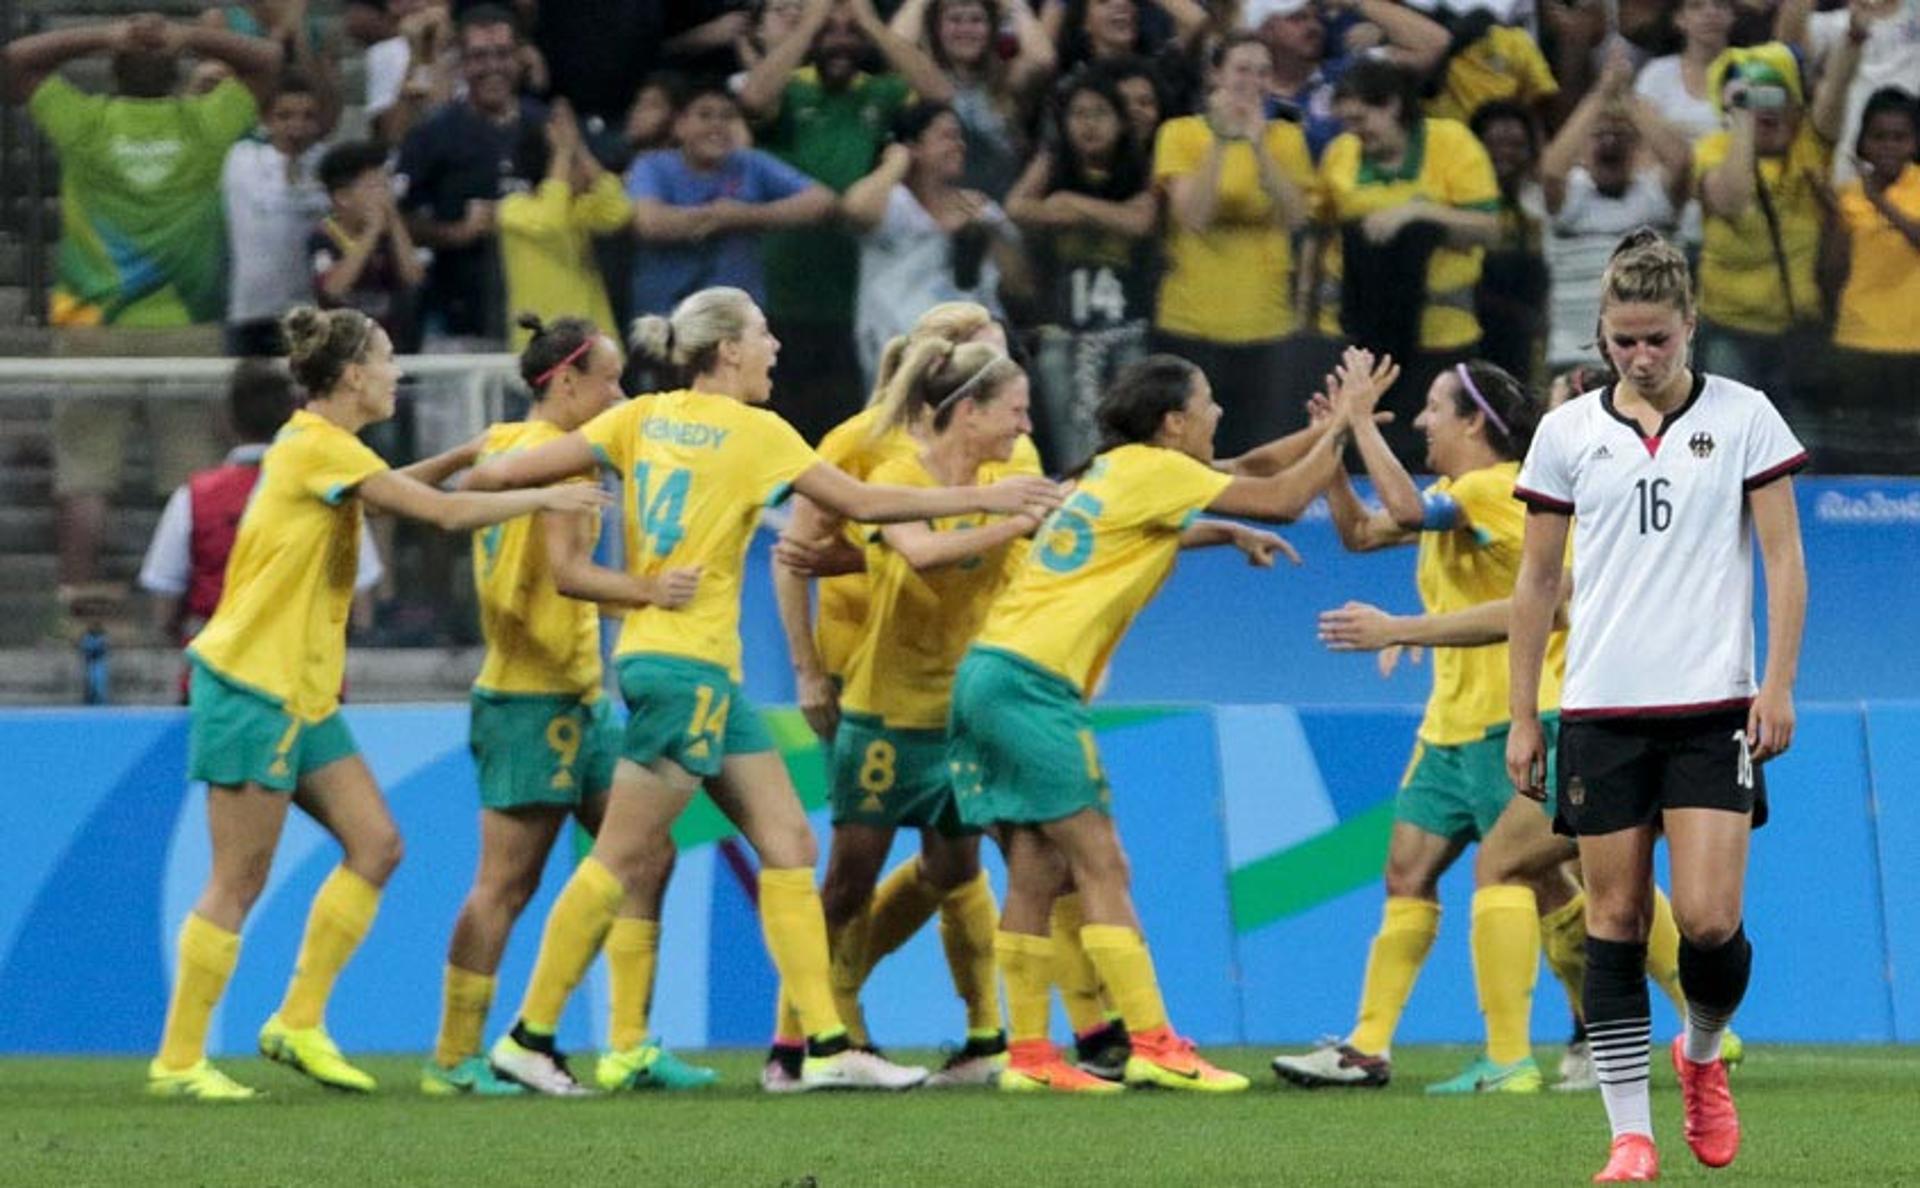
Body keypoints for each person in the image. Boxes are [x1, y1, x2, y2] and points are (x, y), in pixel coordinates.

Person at [462, 286, 1061, 1094]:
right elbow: (864, 504)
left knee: (790, 843)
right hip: (687, 669)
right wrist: (985, 497)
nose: (776, 347)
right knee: (620, 853)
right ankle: (530, 1037)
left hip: (675, 667)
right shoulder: (755, 433)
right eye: (764, 335)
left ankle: (819, 1047)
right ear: (730, 351)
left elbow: (499, 470)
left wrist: (537, 492)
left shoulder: (638, 418)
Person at [147, 305, 610, 1100]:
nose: (398, 374)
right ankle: (180, 1060)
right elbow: (439, 513)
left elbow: (403, 489)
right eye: (390, 360)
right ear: (354, 374)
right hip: (250, 684)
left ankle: (297, 1021)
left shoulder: (331, 455)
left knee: (378, 845)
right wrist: (539, 501)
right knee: (239, 878)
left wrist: (472, 451)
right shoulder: (316, 448)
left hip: (303, 694)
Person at [951, 352, 1354, 1092]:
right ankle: (1155, 1044)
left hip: (990, 674)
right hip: (1033, 685)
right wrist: (1346, 428)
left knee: (1039, 869)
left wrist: (1238, 520)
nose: (1217, 414)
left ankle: (1032, 1059)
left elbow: (1246, 469)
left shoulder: (1119, 469)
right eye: (1207, 404)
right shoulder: (1157, 471)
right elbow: (1285, 497)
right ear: (1174, 421)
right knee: (1105, 863)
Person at [1507, 229, 1807, 1181]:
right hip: (1600, 713)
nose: (1639, 358)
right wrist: (1527, 715)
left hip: (1713, 706)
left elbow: (1784, 558)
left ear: (1690, 327)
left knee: (1711, 924)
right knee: (1618, 920)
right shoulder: (1566, 434)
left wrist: (1781, 682)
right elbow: (1534, 580)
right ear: (1602, 332)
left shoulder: (1745, 417)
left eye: (1657, 340)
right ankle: (1629, 1137)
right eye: (1622, 341)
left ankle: (1703, 1054)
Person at [1270, 348, 1584, 1095]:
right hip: (1449, 726)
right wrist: (1338, 451)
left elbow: (1408, 512)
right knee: (1408, 875)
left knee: (1562, 888)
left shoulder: (1501, 488)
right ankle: (1367, 1046)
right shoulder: (1458, 493)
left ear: (1475, 421)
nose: (1419, 421)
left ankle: (1615, 1031)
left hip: (1526, 714)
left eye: (1434, 409)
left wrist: (1399, 629)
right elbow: (1363, 533)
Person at [424, 315, 714, 1097]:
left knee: (646, 855)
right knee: (505, 884)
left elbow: (433, 490)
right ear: (566, 383)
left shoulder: (502, 447)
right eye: (611, 380)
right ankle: (454, 1057)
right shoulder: (562, 476)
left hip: (578, 698)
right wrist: (652, 596)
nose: (620, 394)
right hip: (529, 700)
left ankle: (626, 1045)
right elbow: (568, 575)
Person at [782, 340, 1045, 1089]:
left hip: (961, 718)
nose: (1025, 424)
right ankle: (816, 1037)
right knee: (847, 882)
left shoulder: (1010, 474)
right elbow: (923, 554)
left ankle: (989, 1038)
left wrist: (1218, 528)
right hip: (885, 715)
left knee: (965, 867)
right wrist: (1008, 521)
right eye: (1015, 410)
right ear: (968, 411)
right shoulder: (897, 473)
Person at [3, 13, 281, 603]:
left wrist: (102, 33)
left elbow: (19, 58)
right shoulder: (205, 124)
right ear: (176, 71)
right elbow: (268, 61)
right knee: (191, 476)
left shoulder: (87, 122)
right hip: (189, 327)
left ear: (113, 74)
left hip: (91, 328)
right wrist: (194, 37)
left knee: (84, 475)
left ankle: (75, 596)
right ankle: (197, 598)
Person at [741, 0, 955, 443]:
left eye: (849, 33)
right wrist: (814, 19)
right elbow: (752, 99)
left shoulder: (880, 92)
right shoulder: (791, 88)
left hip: (857, 291)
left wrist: (869, 22)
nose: (839, 42)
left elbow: (939, 97)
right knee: (780, 427)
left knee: (844, 428)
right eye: (828, 33)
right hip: (786, 285)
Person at [137, 360, 381, 685]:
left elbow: (163, 610)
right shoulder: (333, 494)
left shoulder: (192, 498)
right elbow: (360, 610)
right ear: (296, 415)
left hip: (218, 689)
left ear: (226, 421)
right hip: (308, 688)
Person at [1313, 57, 1502, 463]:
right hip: (1359, 340)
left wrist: (1418, 212)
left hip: (1440, 338)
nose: (1355, 132)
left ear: (1393, 106)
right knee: (1358, 449)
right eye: (1347, 122)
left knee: (1431, 451)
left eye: (1362, 119)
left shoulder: (1451, 144)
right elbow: (1320, 228)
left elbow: (1489, 227)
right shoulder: (1341, 154)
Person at [1151, 34, 1315, 457]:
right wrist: (1223, 140)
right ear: (1215, 74)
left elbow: (1297, 216)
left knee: (1262, 455)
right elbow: (1193, 216)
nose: (1254, 81)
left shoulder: (1286, 139)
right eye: (1242, 69)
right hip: (1191, 322)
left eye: (1264, 72)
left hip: (1267, 323)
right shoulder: (1180, 134)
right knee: (1189, 453)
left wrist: (1258, 145)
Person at [1693, 37, 1861, 415]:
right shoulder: (1715, 150)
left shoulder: (1809, 148)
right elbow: (1732, 200)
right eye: (1751, 95)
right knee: (1731, 444)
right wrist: (1742, 121)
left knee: (1804, 451)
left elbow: (1837, 91)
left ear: (1795, 103)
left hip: (1799, 334)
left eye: (1773, 94)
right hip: (1731, 333)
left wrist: (1854, 35)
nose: (1763, 106)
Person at [1007, 71, 1158, 470]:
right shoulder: (1054, 168)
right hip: (1064, 335)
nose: (1088, 124)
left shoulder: (1138, 168)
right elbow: (1017, 208)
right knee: (1074, 445)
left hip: (1127, 332)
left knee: (1133, 444)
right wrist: (1050, 154)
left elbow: (1141, 221)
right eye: (1077, 114)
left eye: (1100, 113)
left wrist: (1072, 206)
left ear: (1121, 121)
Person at [843, 103, 1033, 387]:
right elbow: (854, 209)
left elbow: (1020, 285)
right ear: (913, 147)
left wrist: (989, 233)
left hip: (972, 358)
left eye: (959, 137)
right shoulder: (893, 204)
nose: (958, 145)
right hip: (899, 353)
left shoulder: (978, 207)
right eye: (946, 136)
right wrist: (895, 162)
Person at [397, 4, 547, 349]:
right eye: (479, 56)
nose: (492, 67)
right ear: (461, 61)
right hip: (456, 317)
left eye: (502, 54)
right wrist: (454, 233)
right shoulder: (433, 134)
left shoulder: (547, 127)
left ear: (521, 56)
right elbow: (399, 218)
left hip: (536, 317)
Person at [627, 81, 835, 320]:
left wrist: (744, 216)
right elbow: (649, 223)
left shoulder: (750, 163)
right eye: (705, 115)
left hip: (737, 321)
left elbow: (823, 201)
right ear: (680, 125)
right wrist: (718, 216)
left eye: (727, 116)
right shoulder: (653, 165)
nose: (717, 125)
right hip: (666, 317)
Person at [1540, 52, 1690, 376]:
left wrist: (1628, 99)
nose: (1610, 143)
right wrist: (1600, 95)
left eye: (1621, 136)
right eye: (1600, 136)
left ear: (1638, 146)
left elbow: (1681, 163)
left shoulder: (1654, 196)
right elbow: (1551, 171)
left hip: (1650, 357)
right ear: (1581, 148)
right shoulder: (1572, 196)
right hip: (1574, 357)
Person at [1817, 87, 1920, 474]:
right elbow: (1830, 275)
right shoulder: (1846, 196)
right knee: (1860, 451)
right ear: (1863, 142)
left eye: (1900, 137)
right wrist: (1832, 222)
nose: (1889, 146)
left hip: (1913, 342)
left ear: (1915, 142)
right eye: (1879, 137)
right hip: (1858, 340)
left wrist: (1879, 201)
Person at [498, 101, 633, 351]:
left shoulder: (578, 209)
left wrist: (579, 148)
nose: (586, 170)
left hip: (594, 345)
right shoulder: (513, 209)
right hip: (543, 348)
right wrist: (562, 153)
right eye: (577, 163)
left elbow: (619, 212)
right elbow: (550, 222)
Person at [891, 0, 1059, 198]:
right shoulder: (923, 79)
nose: (966, 29)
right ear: (937, 29)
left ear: (992, 28)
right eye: (955, 20)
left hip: (998, 215)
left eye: (976, 20)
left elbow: (1043, 59)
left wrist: (1012, 4)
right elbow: (893, 45)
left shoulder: (1006, 81)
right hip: (936, 215)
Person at [222, 74, 332, 356]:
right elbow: (273, 198)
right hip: (251, 310)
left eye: (308, 117)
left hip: (308, 310)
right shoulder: (243, 158)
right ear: (267, 120)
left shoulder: (327, 164)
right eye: (285, 116)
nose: (296, 126)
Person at [312, 140, 427, 349]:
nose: (385, 195)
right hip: (342, 349)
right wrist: (371, 231)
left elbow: (414, 277)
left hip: (390, 345)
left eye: (386, 185)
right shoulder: (323, 237)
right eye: (375, 187)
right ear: (343, 197)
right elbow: (333, 288)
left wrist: (394, 223)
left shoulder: (391, 236)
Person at [1468, 100, 1548, 384]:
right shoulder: (1459, 207)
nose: (1505, 154)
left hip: (1530, 341)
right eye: (1494, 144)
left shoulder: (1541, 204)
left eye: (1516, 144)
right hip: (1473, 337)